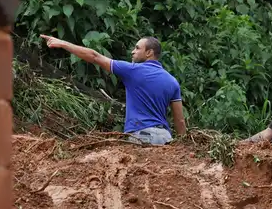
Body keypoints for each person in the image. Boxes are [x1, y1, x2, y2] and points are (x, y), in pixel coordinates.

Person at [40, 34, 186, 145]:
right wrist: (183, 147)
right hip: (166, 138)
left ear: (149, 53)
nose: (132, 52)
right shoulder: (172, 81)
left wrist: (62, 43)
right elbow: (179, 120)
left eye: (137, 48)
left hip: (141, 136)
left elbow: (94, 56)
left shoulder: (132, 70)